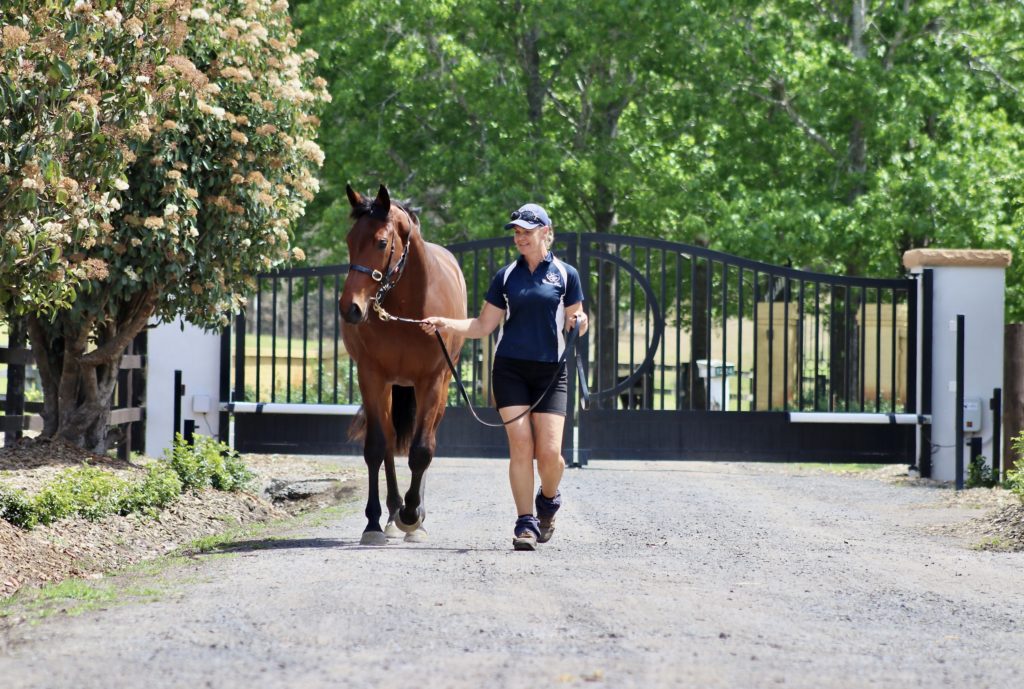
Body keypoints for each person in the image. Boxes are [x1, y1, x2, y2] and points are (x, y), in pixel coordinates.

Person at [420, 203, 588, 551]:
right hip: (510, 369)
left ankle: (548, 500)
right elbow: (483, 326)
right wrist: (445, 322)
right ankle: (525, 523)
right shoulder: (506, 276)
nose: (520, 237)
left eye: (527, 231)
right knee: (522, 445)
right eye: (516, 231)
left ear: (546, 232)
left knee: (551, 453)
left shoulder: (566, 274)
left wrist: (580, 323)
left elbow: (578, 319)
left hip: (551, 372)